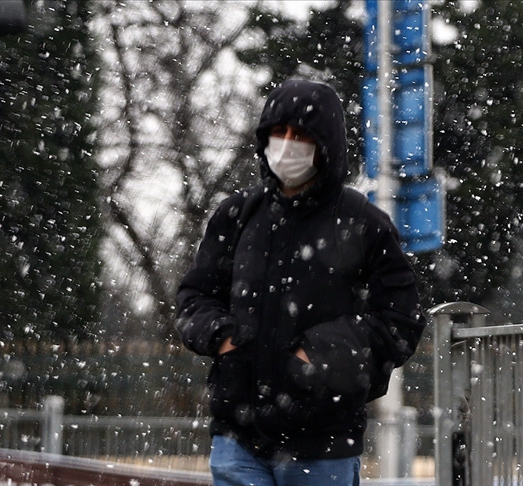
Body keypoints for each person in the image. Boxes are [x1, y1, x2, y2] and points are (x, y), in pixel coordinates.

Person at [175, 80, 426, 485]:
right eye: (279, 132)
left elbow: (401, 321)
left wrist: (320, 354)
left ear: (325, 145)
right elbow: (194, 297)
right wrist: (223, 337)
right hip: (238, 439)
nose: (287, 145)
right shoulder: (237, 216)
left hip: (322, 444)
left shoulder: (363, 224)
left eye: (301, 135)